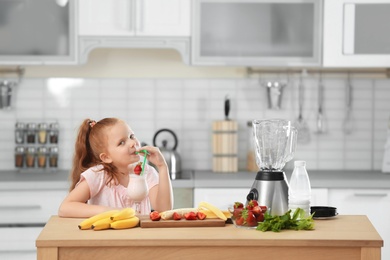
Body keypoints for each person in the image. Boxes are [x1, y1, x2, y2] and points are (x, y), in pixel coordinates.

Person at [58, 118, 173, 218]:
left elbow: (164, 210)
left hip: (138, 240)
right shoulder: (99, 175)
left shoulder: (146, 172)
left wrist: (162, 167)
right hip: (105, 241)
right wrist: (112, 211)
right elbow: (65, 208)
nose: (133, 143)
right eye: (121, 142)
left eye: (131, 136)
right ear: (106, 157)